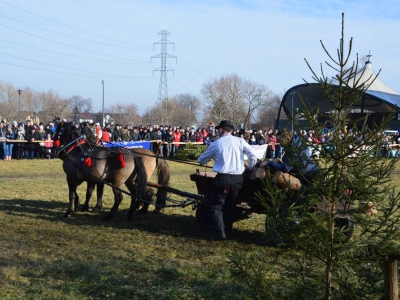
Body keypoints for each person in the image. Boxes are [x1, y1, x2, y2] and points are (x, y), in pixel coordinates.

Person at [197, 120, 258, 240]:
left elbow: (201, 160)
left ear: (220, 130)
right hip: (238, 179)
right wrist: (250, 167)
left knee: (216, 206)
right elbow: (253, 154)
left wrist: (208, 159)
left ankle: (221, 232)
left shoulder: (217, 143)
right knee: (231, 204)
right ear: (231, 130)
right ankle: (228, 229)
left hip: (223, 179)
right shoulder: (240, 141)